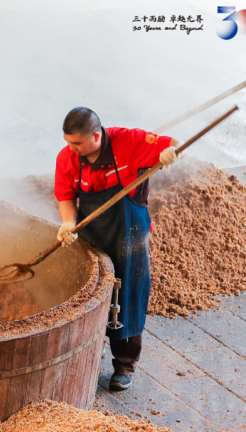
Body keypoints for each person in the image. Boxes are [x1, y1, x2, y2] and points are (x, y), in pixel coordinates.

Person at [54, 107, 181, 390]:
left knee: (127, 299)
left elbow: (173, 143)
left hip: (130, 234)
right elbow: (65, 196)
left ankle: (125, 365)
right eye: (68, 142)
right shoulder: (68, 158)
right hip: (92, 236)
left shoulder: (129, 142)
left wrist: (171, 153)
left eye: (76, 143)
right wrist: (67, 223)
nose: (71, 148)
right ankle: (86, 353)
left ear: (96, 136)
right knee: (85, 295)